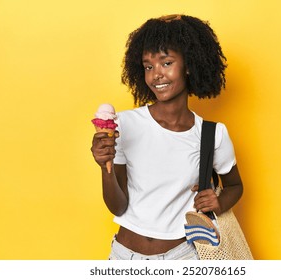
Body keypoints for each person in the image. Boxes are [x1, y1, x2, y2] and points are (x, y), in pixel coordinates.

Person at [91, 14, 243, 260]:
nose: (156, 75)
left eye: (166, 63)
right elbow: (118, 206)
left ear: (190, 65)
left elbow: (235, 186)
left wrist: (219, 202)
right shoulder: (124, 125)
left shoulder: (212, 134)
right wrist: (104, 167)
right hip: (123, 257)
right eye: (149, 66)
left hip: (182, 257)